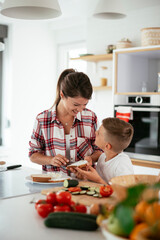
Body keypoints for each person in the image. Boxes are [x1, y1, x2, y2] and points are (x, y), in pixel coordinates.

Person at [29, 69, 102, 172]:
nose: (80, 109)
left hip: (85, 183)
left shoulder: (91, 117)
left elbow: (99, 150)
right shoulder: (42, 119)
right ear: (62, 95)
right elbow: (33, 154)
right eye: (76, 104)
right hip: (54, 184)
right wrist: (51, 160)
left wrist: (91, 159)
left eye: (85, 104)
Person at [71, 117, 134, 184]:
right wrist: (85, 177)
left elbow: (124, 193)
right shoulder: (103, 156)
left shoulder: (122, 164)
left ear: (107, 146)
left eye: (99, 133)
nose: (95, 132)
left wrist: (98, 180)